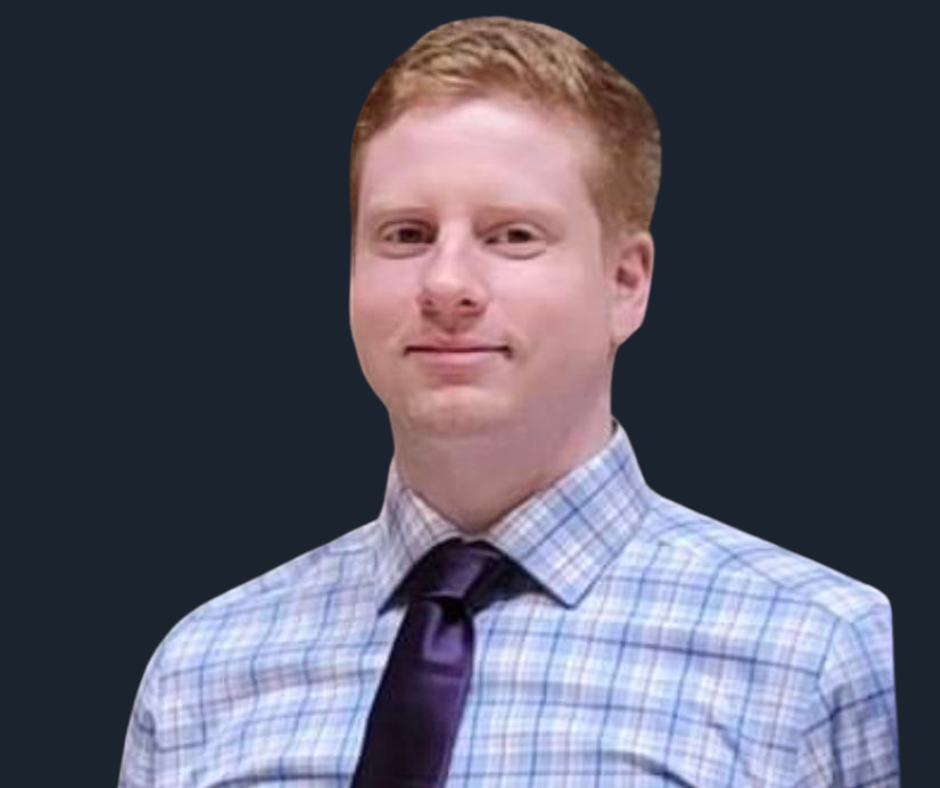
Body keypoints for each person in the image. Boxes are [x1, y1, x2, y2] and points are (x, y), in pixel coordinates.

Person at [118, 16, 899, 788]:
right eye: (406, 234)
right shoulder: (200, 672)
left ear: (625, 283)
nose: (446, 283)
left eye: (513, 236)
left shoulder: (823, 656)